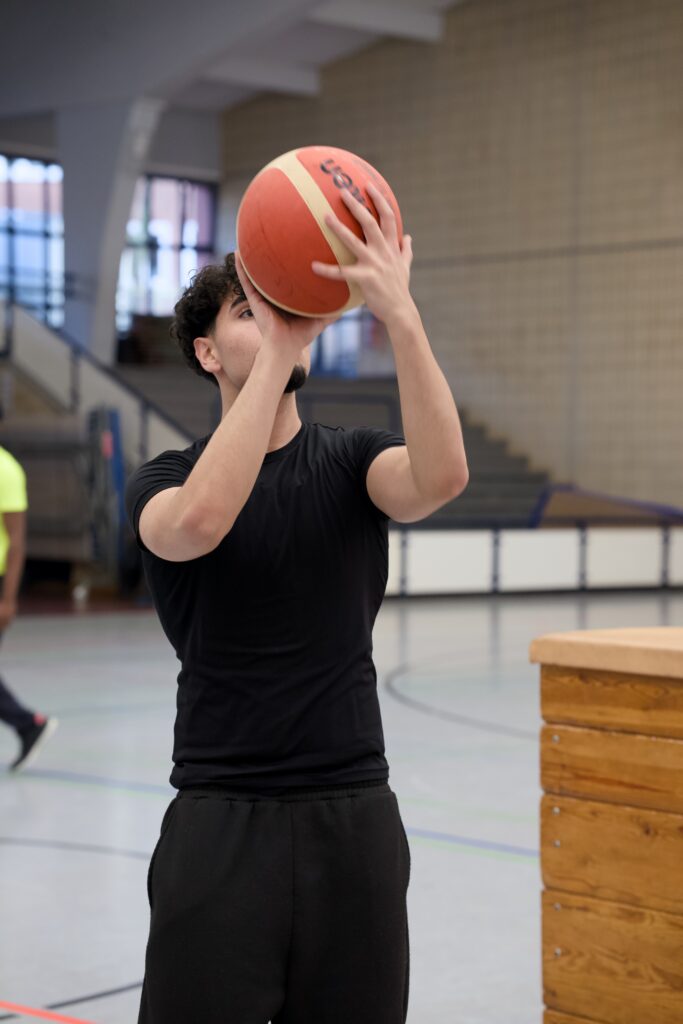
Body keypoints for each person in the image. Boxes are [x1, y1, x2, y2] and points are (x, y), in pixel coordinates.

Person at [125, 182, 469, 1024]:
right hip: (219, 821)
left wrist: (399, 314)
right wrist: (281, 348)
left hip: (353, 816)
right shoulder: (164, 479)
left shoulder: (351, 461)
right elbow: (200, 523)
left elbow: (439, 478)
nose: (278, 316)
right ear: (207, 352)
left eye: (282, 305)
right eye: (250, 310)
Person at [0, 444, 58, 771]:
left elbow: (16, 541)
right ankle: (28, 724)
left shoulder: (6, 469)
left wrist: (8, 599)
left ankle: (28, 724)